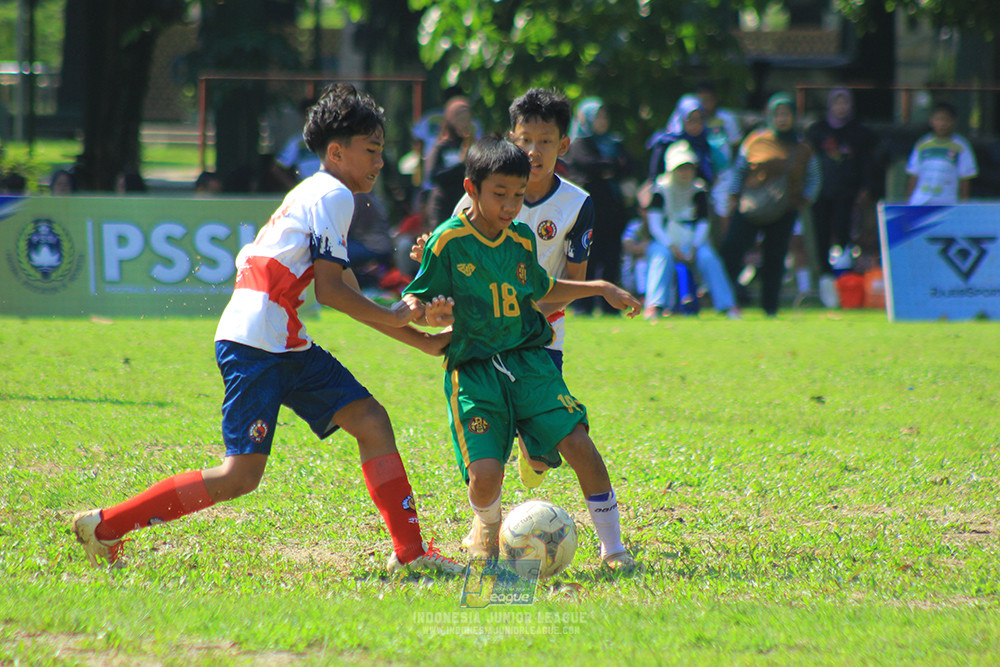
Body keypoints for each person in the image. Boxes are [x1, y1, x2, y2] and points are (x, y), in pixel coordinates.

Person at [71, 84, 463, 576]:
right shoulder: (334, 195)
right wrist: (403, 317)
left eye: (382, 150)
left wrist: (419, 339)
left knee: (370, 420)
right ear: (337, 152)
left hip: (279, 341)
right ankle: (106, 525)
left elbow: (351, 296)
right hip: (258, 343)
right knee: (239, 476)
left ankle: (412, 554)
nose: (380, 162)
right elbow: (333, 295)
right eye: (372, 150)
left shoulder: (317, 193)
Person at [402, 136, 641, 572]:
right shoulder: (447, 240)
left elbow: (540, 287)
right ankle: (487, 526)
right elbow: (417, 300)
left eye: (517, 195)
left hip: (529, 360)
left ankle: (614, 550)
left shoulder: (521, 238)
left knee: (579, 444)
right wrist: (430, 316)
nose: (511, 205)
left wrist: (599, 288)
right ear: (470, 189)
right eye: (500, 195)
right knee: (486, 475)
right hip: (475, 371)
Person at [441, 88, 595, 489]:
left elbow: (574, 284)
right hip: (485, 334)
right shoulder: (481, 192)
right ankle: (483, 523)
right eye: (525, 140)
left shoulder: (576, 205)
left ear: (563, 144)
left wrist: (526, 314)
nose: (534, 151)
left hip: (541, 336)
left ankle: (534, 459)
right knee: (487, 440)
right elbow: (454, 251)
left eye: (545, 142)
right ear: (512, 139)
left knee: (545, 451)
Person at [719, 93, 821, 317]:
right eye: (777, 114)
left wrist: (804, 200)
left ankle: (770, 308)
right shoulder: (755, 140)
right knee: (732, 252)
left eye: (787, 114)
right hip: (751, 207)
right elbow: (740, 170)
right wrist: (734, 196)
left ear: (794, 117)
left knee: (775, 258)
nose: (782, 119)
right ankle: (726, 302)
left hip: (785, 210)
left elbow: (814, 177)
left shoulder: (803, 148)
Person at [644, 141, 740, 320]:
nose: (684, 173)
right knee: (661, 256)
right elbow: (655, 224)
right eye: (680, 168)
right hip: (667, 243)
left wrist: (695, 246)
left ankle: (728, 306)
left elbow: (703, 222)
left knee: (709, 258)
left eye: (688, 168)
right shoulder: (660, 189)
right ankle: (654, 306)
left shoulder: (699, 189)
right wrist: (671, 246)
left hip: (693, 243)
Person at [805, 88, 880, 307]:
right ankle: (825, 281)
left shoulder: (860, 133)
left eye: (844, 103)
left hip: (847, 191)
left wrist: (866, 187)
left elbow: (868, 162)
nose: (841, 108)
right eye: (836, 103)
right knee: (820, 235)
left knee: (843, 233)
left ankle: (845, 282)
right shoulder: (817, 130)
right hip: (821, 190)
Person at [565, 97, 632, 315]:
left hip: (613, 211)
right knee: (588, 259)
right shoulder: (579, 143)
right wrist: (608, 167)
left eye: (605, 116)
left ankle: (610, 306)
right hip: (590, 211)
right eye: (598, 116)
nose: (603, 120)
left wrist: (606, 168)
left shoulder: (614, 142)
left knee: (612, 258)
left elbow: (627, 165)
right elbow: (587, 165)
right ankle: (583, 305)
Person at [906, 101, 978, 206]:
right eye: (938, 119)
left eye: (946, 120)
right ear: (931, 121)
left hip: (947, 203)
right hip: (920, 201)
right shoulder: (922, 144)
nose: (942, 124)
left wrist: (963, 205)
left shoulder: (961, 147)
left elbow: (965, 178)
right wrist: (908, 202)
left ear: (954, 122)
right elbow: (914, 174)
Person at [424, 96, 476, 226]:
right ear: (450, 119)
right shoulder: (442, 146)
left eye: (466, 117)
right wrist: (460, 164)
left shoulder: (474, 146)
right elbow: (433, 175)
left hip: (466, 207)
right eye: (459, 117)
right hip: (444, 208)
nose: (464, 122)